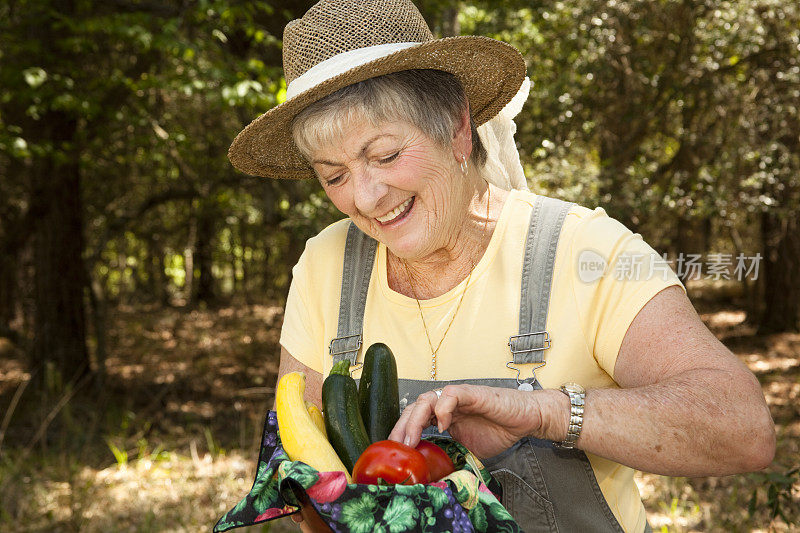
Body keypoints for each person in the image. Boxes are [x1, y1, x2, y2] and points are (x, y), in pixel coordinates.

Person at [227, 0, 776, 531]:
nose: (366, 198)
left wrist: (544, 413)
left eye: (386, 155)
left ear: (458, 129)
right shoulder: (326, 265)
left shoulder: (585, 252)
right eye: (334, 176)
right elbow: (303, 481)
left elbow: (745, 430)